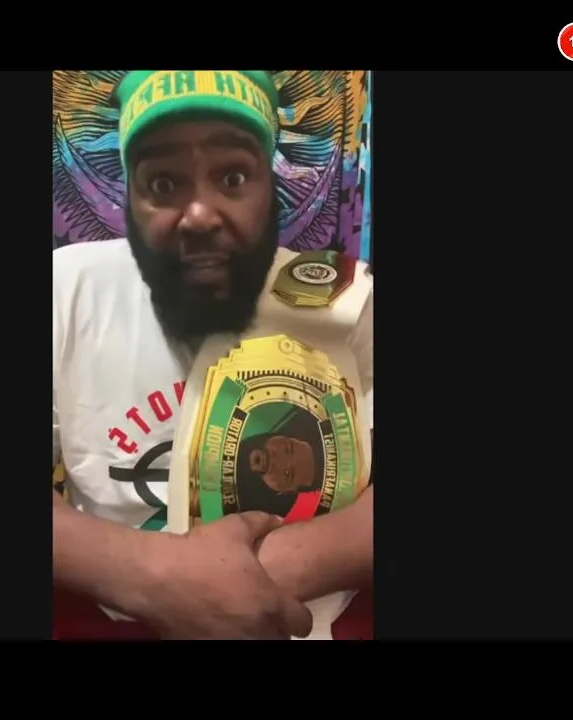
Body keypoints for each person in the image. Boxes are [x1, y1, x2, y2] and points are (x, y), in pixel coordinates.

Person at [51, 70, 374, 640]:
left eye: (232, 177)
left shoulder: (352, 301)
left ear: (270, 188)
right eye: (163, 183)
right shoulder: (65, 291)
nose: (199, 214)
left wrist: (271, 570)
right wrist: (150, 575)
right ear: (128, 200)